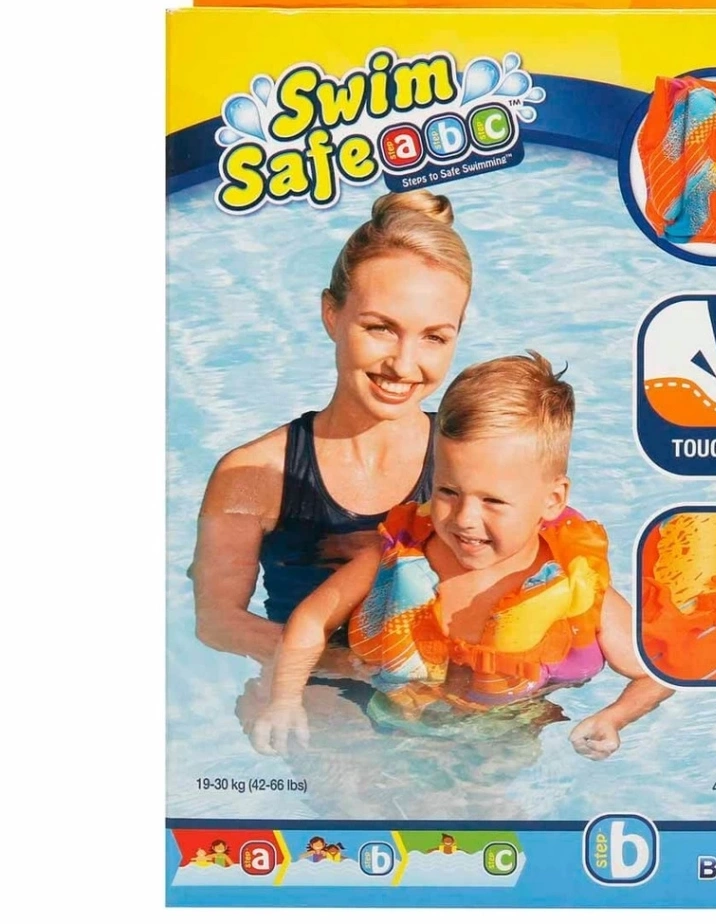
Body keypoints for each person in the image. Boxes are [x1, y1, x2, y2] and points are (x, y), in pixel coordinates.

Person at [251, 352, 673, 761]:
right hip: (387, 723)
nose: (465, 519)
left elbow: (656, 670)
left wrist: (613, 718)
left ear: (553, 499)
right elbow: (311, 620)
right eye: (448, 491)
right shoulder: (396, 556)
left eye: (493, 501)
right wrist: (284, 699)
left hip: (504, 738)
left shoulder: (573, 587)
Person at [190, 191, 473, 665]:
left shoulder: (471, 457)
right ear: (331, 315)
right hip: (316, 697)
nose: (404, 365)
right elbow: (217, 622)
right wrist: (352, 669)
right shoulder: (254, 474)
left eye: (434, 337)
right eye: (381, 328)